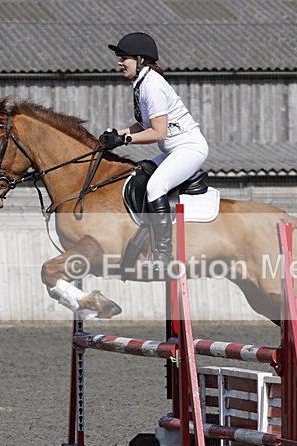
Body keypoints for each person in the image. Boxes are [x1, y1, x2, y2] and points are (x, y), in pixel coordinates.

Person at [100, 32, 208, 274]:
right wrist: (117, 133)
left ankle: (163, 257)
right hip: (174, 149)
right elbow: (145, 124)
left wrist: (125, 139)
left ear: (139, 59)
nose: (119, 62)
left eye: (124, 57)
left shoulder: (152, 85)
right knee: (139, 174)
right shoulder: (142, 82)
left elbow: (158, 132)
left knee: (155, 187)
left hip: (188, 148)